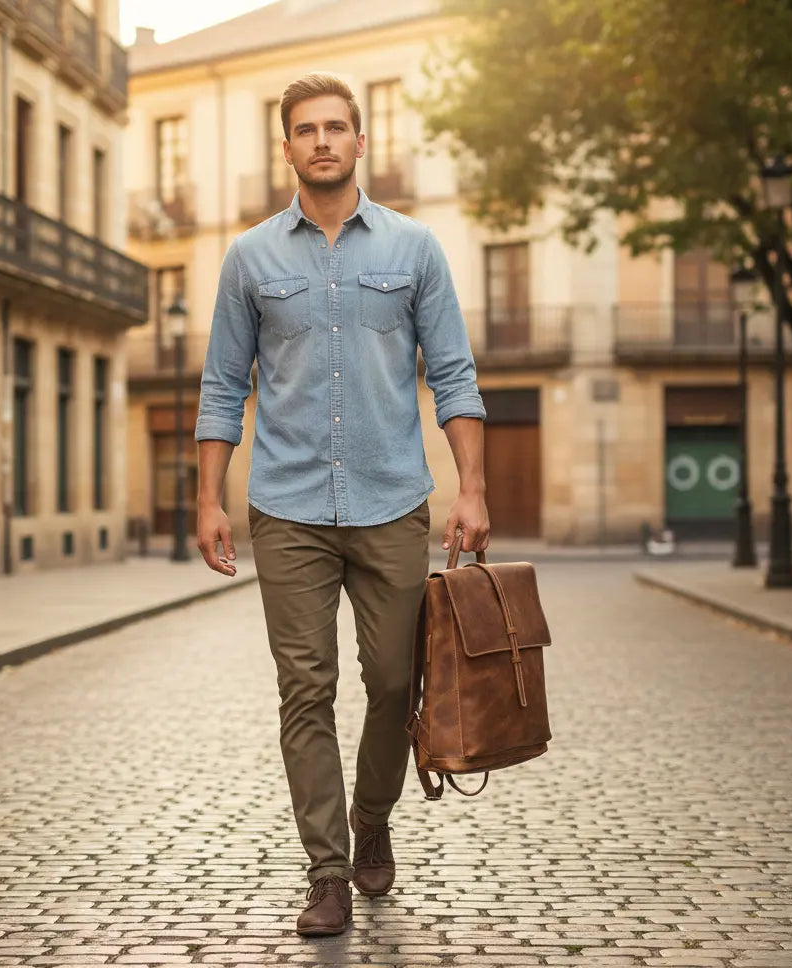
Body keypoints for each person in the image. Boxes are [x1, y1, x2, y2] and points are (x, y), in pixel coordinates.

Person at [194, 72, 489, 937]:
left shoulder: (415, 249)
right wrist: (209, 499)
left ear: (361, 141)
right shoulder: (250, 258)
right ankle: (327, 871)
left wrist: (472, 487)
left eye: (335, 127)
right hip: (286, 508)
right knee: (305, 690)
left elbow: (454, 375)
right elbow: (222, 387)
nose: (321, 140)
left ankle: (373, 818)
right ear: (286, 147)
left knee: (396, 684)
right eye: (305, 129)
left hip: (392, 501)